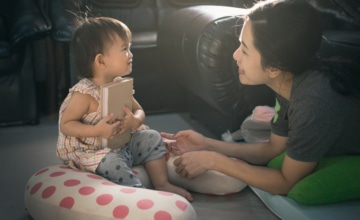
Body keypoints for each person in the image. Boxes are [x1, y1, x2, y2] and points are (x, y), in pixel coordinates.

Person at [161, 0, 360, 195]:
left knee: (302, 192)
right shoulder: (288, 82)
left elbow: (285, 182)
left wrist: (215, 161)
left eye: (245, 50)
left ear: (275, 67)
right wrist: (207, 144)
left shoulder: (314, 101)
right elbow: (273, 147)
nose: (235, 56)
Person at [56, 16, 192, 201]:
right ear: (101, 61)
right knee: (112, 162)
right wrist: (96, 130)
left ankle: (162, 183)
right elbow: (66, 125)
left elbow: (140, 111)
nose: (131, 54)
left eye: (130, 48)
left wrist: (134, 120)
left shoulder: (119, 85)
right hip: (93, 152)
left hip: (122, 144)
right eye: (125, 49)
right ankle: (137, 195)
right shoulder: (84, 94)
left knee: (152, 136)